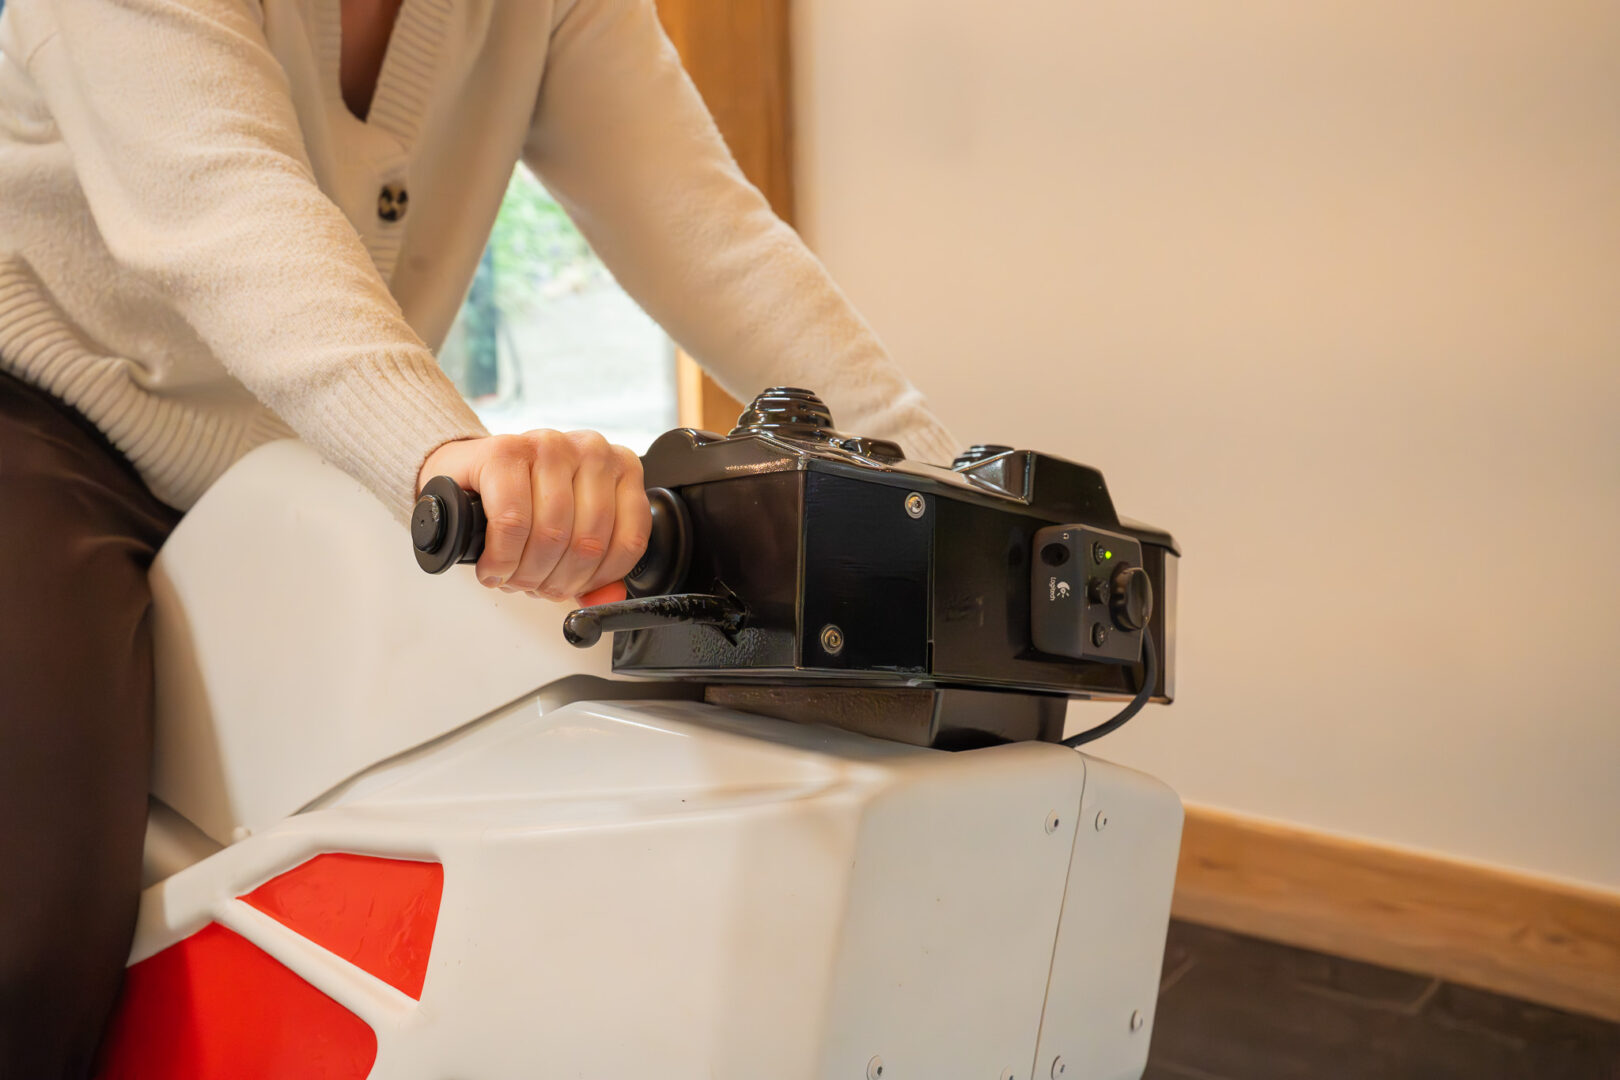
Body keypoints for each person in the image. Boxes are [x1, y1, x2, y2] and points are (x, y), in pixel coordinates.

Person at [0, 0, 956, 1071]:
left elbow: (708, 230)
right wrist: (442, 450)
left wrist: (945, 495)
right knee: (29, 925)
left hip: (303, 465)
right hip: (42, 414)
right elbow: (223, 204)